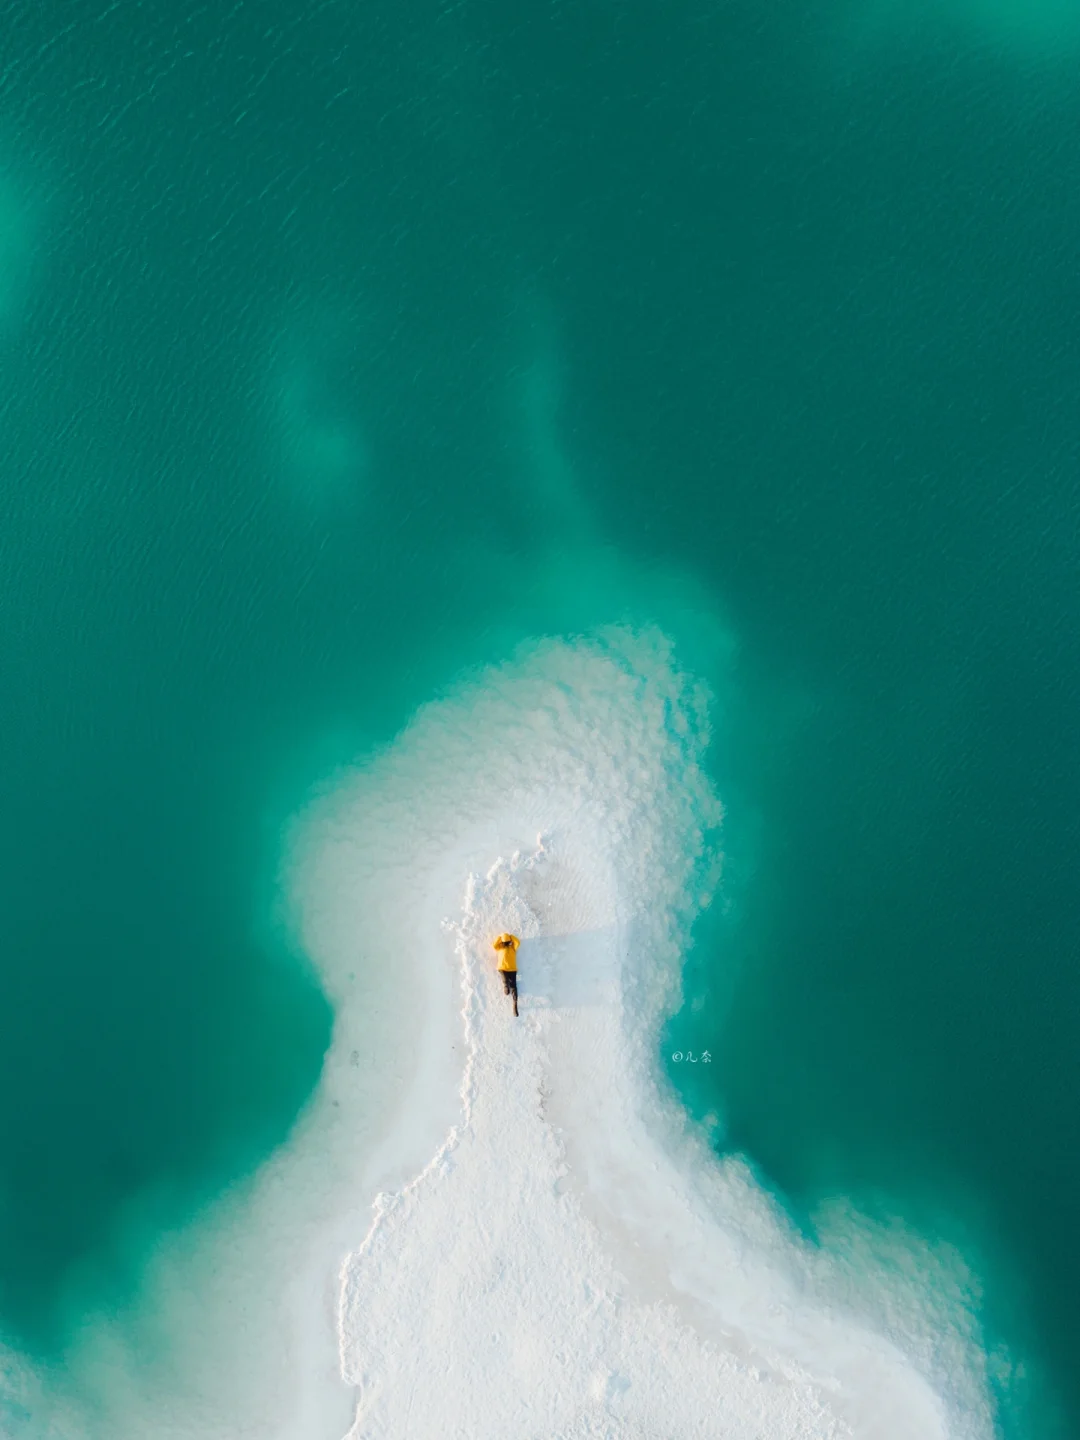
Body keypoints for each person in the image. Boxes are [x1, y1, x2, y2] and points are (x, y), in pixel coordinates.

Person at [493, 933, 520, 1017]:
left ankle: (515, 1004)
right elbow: (494, 945)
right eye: (504, 942)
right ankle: (505, 986)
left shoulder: (513, 948)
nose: (505, 944)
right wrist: (500, 937)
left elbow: (518, 942)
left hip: (512, 969)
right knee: (505, 980)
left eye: (507, 942)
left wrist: (511, 937)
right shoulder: (499, 948)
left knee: (513, 986)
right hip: (502, 968)